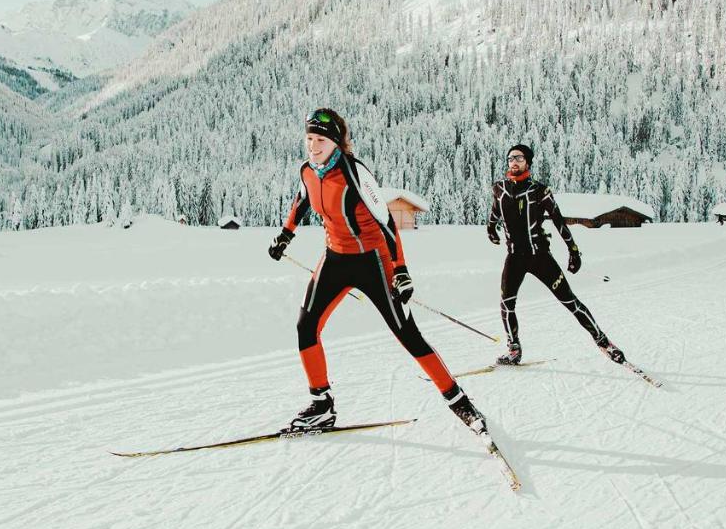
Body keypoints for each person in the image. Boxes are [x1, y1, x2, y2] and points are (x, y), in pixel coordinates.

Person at [268, 108, 490, 437]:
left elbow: (387, 222)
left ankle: (459, 401)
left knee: (406, 333)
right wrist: (286, 234)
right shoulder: (307, 171)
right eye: (309, 139)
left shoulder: (355, 173)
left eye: (320, 141)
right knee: (306, 327)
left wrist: (400, 271)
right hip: (334, 259)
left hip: (373, 261)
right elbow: (303, 200)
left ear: (336, 143)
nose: (313, 146)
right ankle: (321, 405)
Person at [486, 144, 626, 367]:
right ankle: (514, 350)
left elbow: (559, 221)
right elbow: (495, 210)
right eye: (511, 158)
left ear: (528, 163)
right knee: (506, 304)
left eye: (519, 158)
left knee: (569, 301)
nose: (514, 162)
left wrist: (573, 251)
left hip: (539, 256)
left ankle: (603, 341)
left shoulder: (540, 191)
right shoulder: (499, 188)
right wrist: (491, 228)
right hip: (514, 257)